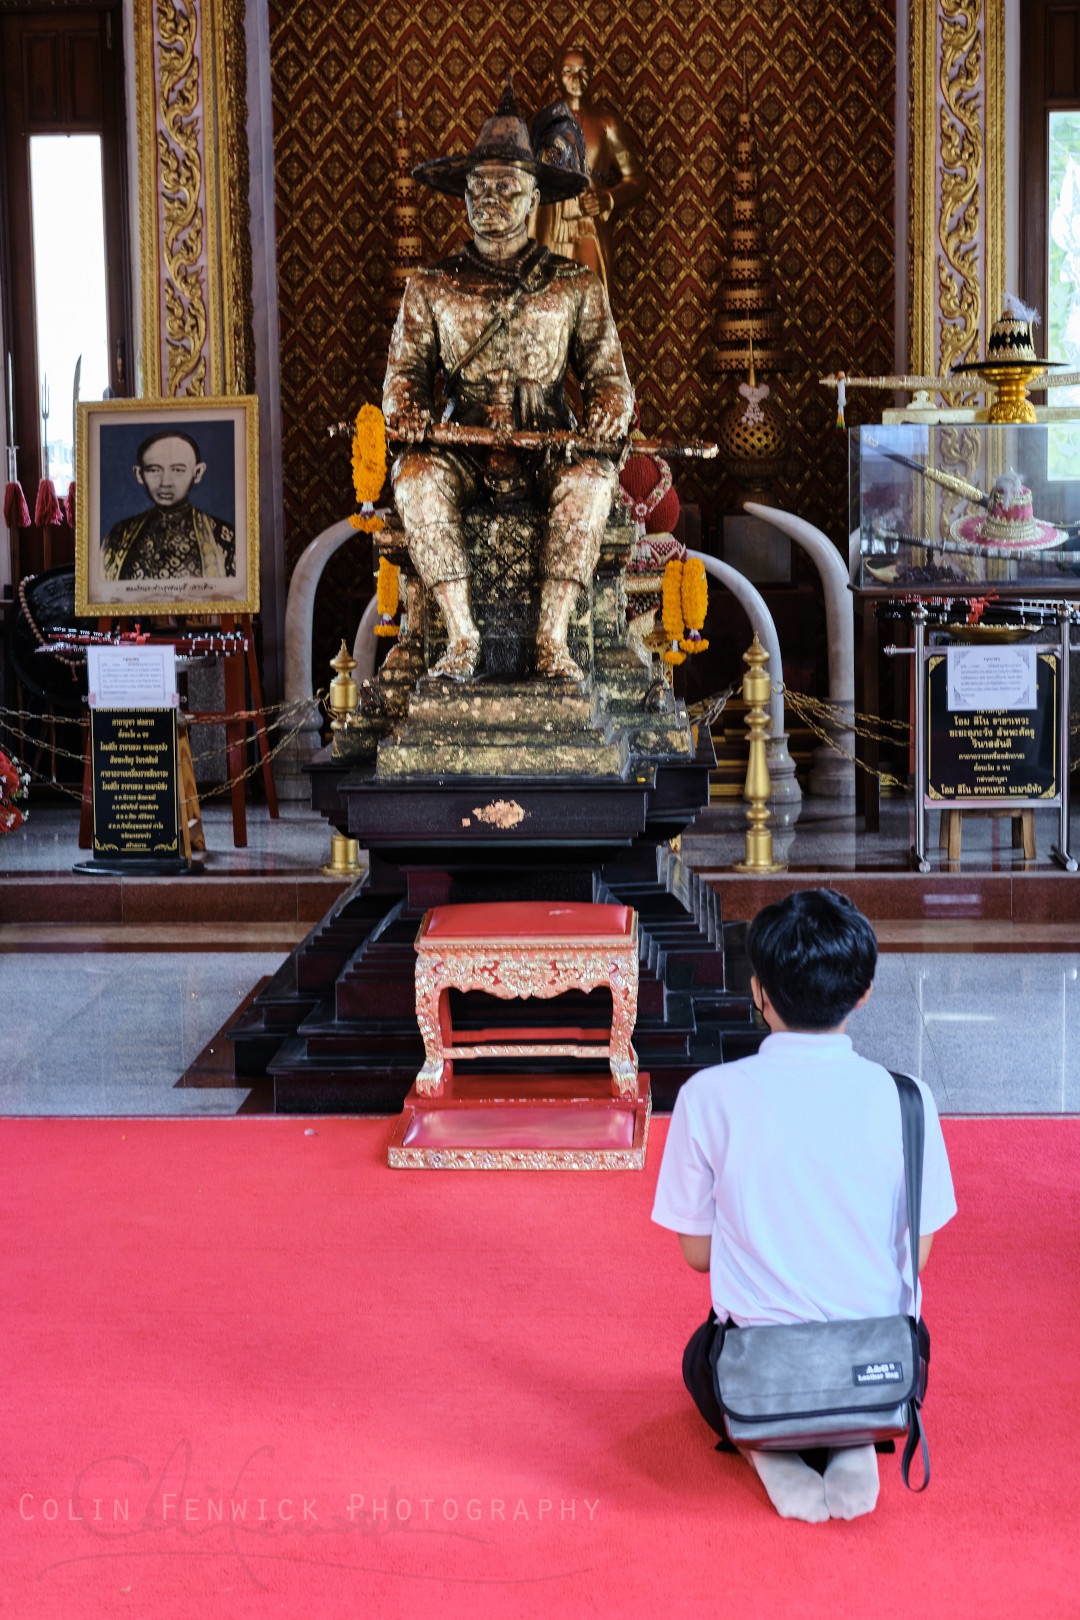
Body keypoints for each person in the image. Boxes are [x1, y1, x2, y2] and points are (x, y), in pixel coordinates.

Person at [651, 889, 957, 1522]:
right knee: (861, 1338)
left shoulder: (709, 1095)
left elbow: (697, 1256)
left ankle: (770, 1439)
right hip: (883, 1359)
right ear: (864, 990)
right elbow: (918, 1252)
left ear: (758, 992)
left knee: (696, 1359)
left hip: (759, 1364)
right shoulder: (908, 1097)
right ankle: (853, 1432)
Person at [385, 82, 634, 681]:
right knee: (415, 481)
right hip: (461, 446)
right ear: (464, 198)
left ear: (534, 200)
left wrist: (606, 412)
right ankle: (462, 638)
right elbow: (402, 378)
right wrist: (410, 413)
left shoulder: (573, 285)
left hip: (548, 440)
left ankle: (552, 638)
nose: (492, 200)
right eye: (480, 189)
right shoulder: (431, 286)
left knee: (591, 484)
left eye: (507, 189)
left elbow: (611, 380)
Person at [531, 46, 646, 297]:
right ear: (555, 78)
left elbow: (636, 180)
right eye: (569, 71)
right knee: (550, 312)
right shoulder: (542, 124)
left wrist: (608, 198)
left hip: (590, 227)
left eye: (584, 71)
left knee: (591, 310)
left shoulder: (606, 123)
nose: (577, 78)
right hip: (552, 228)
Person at [101, 431, 235, 581]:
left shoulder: (225, 538)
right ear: (139, 474)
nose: (165, 482)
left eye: (178, 470)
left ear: (198, 473)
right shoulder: (119, 535)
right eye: (154, 470)